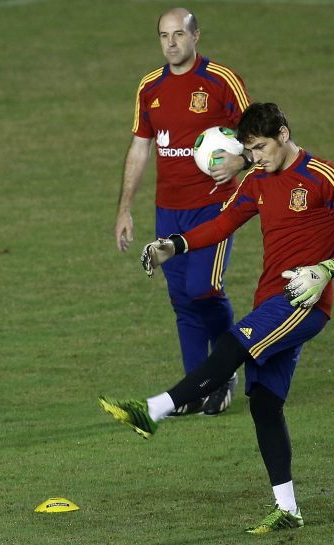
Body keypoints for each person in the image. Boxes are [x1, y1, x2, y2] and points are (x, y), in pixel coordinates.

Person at [100, 103, 334, 533]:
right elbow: (223, 223)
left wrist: (325, 270)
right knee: (265, 404)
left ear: (284, 135)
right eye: (250, 149)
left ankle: (152, 411)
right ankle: (288, 510)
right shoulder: (256, 182)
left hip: (303, 301)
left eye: (262, 147)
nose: (257, 157)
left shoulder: (326, 177)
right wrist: (176, 244)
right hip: (270, 300)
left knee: (232, 343)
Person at [114, 7, 252, 416]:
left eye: (178, 34)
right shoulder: (149, 87)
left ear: (196, 37)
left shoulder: (222, 81)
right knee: (181, 300)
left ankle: (224, 371)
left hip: (213, 207)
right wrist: (125, 209)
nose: (171, 43)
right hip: (167, 211)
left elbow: (257, 133)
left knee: (203, 290)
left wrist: (241, 161)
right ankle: (194, 389)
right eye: (163, 36)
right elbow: (141, 147)